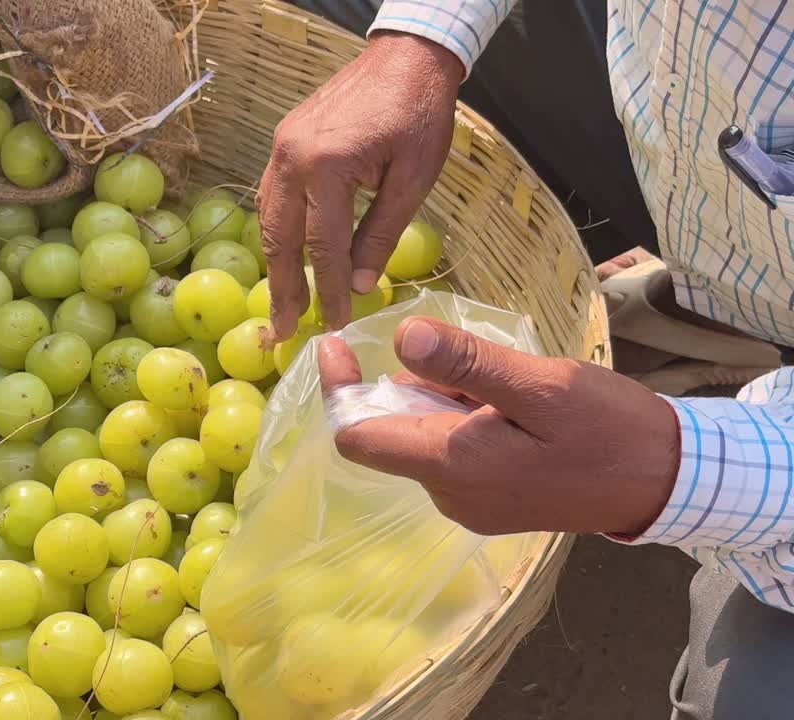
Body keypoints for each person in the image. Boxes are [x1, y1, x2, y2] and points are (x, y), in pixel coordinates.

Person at [260, 3, 794, 719]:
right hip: (672, 123)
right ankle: (709, 309)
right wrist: (423, 39)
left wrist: (674, 466)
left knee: (752, 694)